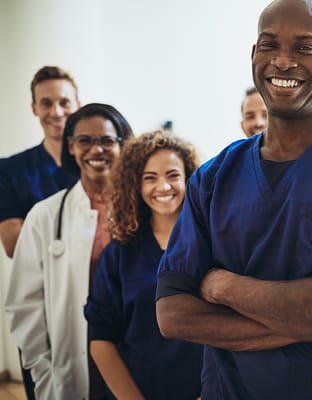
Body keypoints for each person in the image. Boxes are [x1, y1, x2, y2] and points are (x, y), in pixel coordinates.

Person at [155, 1, 312, 399]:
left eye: (305, 48)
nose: (283, 61)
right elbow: (173, 315)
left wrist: (222, 287)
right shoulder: (213, 179)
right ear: (253, 55)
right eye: (268, 45)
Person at [5, 103, 134, 400]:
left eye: (106, 140)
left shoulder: (143, 210)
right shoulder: (45, 216)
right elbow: (24, 306)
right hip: (72, 362)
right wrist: (43, 372)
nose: (96, 150)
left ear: (123, 145)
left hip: (135, 355)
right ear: (71, 148)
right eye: (84, 141)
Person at [84, 131, 203, 400]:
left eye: (173, 175)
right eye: (150, 178)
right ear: (135, 185)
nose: (162, 187)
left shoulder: (212, 248)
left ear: (190, 180)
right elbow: (101, 340)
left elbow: (228, 332)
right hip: (136, 391)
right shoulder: (118, 255)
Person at [0, 65, 80, 400]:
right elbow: (14, 244)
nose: (56, 111)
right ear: (34, 108)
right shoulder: (11, 169)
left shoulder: (96, 160)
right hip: (41, 303)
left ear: (77, 103)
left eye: (64, 102)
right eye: (46, 103)